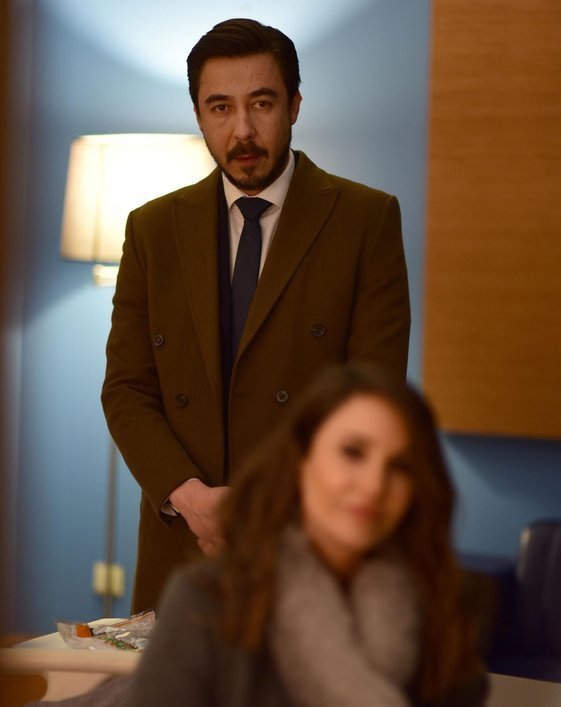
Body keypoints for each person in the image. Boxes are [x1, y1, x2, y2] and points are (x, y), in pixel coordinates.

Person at [101, 18, 410, 613]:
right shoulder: (152, 229)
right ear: (199, 116)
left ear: (294, 105)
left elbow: (372, 404)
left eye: (261, 103)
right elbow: (126, 389)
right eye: (220, 107)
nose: (242, 130)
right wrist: (190, 497)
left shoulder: (365, 221)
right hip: (183, 542)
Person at [119, 364, 488, 707]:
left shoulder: (444, 610)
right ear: (302, 461)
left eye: (400, 466)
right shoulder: (207, 600)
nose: (375, 485)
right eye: (352, 452)